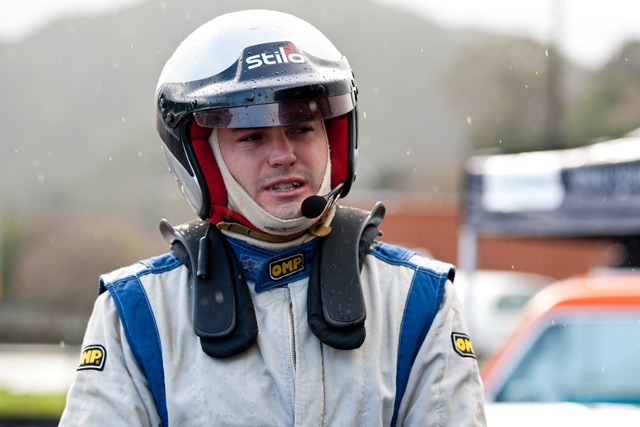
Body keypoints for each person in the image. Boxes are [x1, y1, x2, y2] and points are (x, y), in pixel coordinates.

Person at [60, 9, 487, 426]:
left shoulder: (419, 300)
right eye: (251, 136)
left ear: (334, 139)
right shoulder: (136, 312)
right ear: (204, 160)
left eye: (301, 128)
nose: (283, 155)